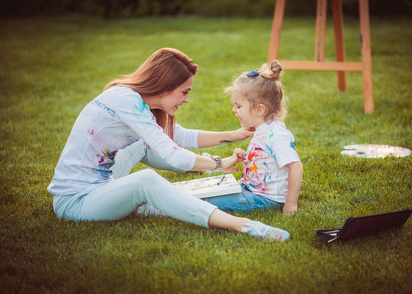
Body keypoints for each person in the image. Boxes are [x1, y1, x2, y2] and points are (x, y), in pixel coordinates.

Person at [47, 48, 290, 241]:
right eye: (184, 92)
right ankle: (242, 225)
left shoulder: (135, 101)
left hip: (101, 185)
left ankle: (143, 202)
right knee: (147, 181)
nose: (187, 99)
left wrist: (234, 135)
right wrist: (216, 164)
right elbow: (173, 154)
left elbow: (178, 136)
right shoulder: (126, 101)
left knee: (141, 146)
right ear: (163, 86)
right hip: (76, 201)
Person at [204, 61, 303, 215]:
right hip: (250, 189)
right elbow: (266, 160)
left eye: (238, 106)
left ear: (259, 109)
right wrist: (246, 157)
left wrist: (291, 204)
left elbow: (295, 166)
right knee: (210, 191)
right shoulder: (262, 129)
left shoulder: (276, 135)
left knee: (212, 202)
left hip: (264, 197)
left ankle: (162, 209)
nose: (233, 110)